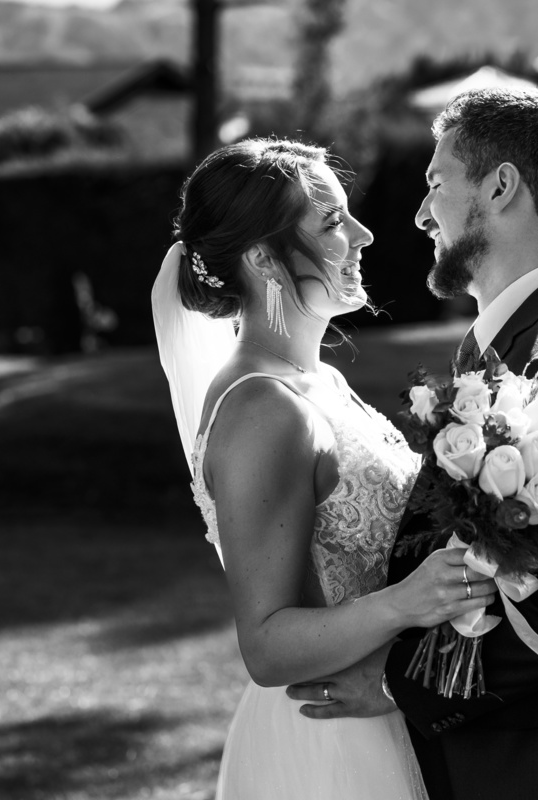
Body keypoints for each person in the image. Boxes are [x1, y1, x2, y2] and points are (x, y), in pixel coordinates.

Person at [287, 88, 538, 799]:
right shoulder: (523, 341)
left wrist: (396, 681)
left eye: (436, 186)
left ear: (501, 187)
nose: (420, 215)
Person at [151, 138, 497, 800]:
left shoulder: (321, 382)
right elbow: (268, 645)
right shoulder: (263, 412)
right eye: (334, 222)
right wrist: (406, 601)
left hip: (384, 713)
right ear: (262, 260)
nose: (365, 235)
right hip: (330, 749)